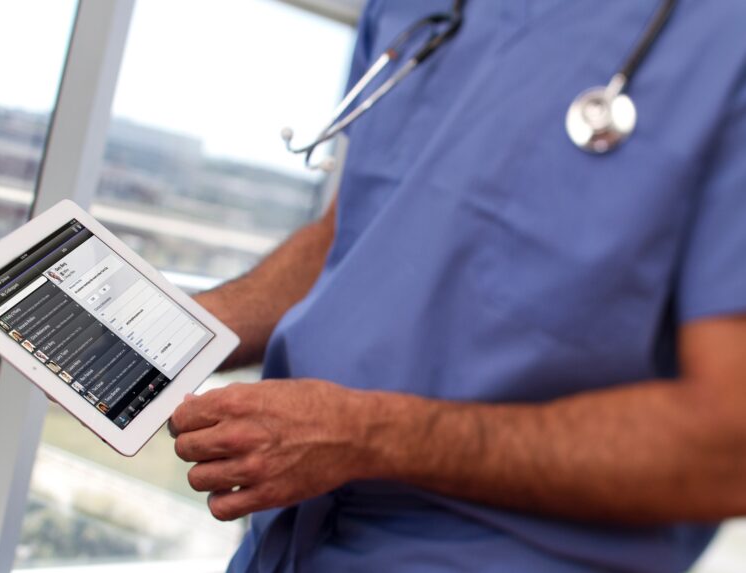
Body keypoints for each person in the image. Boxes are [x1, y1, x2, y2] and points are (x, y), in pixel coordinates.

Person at [169, 1, 746, 571]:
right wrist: (180, 331)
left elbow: (730, 446)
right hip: (284, 542)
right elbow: (356, 229)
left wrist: (369, 436)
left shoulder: (723, 40)